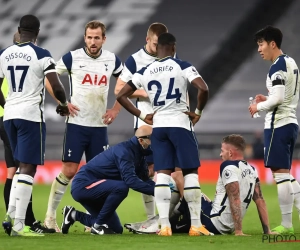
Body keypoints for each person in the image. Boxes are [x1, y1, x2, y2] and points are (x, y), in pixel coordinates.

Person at [117, 33, 210, 236]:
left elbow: (121, 95)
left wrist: (142, 114)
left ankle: (165, 226)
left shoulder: (145, 70)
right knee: (190, 172)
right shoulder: (182, 65)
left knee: (162, 175)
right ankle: (195, 224)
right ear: (173, 47)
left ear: (157, 46)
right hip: (180, 123)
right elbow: (203, 88)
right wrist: (198, 112)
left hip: (158, 127)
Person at [44, 20, 123, 232]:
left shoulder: (112, 60)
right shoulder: (72, 57)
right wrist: (63, 103)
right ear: (84, 37)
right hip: (77, 124)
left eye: (97, 37)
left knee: (98, 176)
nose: (93, 41)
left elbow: (127, 85)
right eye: (89, 37)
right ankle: (50, 217)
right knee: (69, 171)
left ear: (104, 39)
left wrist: (115, 109)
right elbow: (48, 78)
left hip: (99, 127)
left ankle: (92, 219)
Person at [0, 14, 69, 237]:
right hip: (30, 116)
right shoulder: (41, 54)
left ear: (19, 30)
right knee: (28, 168)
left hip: (9, 115)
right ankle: (20, 225)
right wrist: (64, 103)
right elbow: (56, 86)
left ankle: (11, 217)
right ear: (37, 33)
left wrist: (8, 103)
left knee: (19, 168)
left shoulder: (4, 54)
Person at [125, 134, 275, 236]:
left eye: (222, 151)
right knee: (196, 196)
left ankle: (160, 224)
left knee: (179, 178)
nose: (220, 154)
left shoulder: (228, 166)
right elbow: (260, 200)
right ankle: (170, 225)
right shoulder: (252, 169)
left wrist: (239, 231)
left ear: (230, 153)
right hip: (224, 224)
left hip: (215, 221)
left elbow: (234, 197)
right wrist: (267, 231)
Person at [114, 22, 168, 221]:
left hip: (167, 120)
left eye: (162, 44)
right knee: (148, 171)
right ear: (147, 40)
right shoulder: (136, 60)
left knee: (169, 169)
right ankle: (151, 217)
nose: (159, 48)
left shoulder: (168, 56)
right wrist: (145, 92)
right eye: (155, 44)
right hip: (145, 122)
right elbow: (119, 90)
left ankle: (169, 215)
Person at [249, 25, 300, 234]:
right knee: (286, 176)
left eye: (261, 44)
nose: (259, 49)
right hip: (290, 122)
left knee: (280, 176)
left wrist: (257, 106)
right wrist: (267, 97)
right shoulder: (290, 61)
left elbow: (278, 98)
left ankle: (287, 225)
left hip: (278, 124)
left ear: (272, 44)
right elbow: (281, 94)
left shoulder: (276, 66)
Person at [60, 125, 155, 235]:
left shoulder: (140, 154)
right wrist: (156, 191)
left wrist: (162, 189)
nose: (155, 142)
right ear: (141, 140)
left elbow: (145, 179)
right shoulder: (125, 151)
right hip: (83, 185)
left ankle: (73, 215)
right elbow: (131, 181)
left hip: (98, 189)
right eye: (152, 139)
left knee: (116, 230)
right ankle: (97, 226)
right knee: (122, 187)